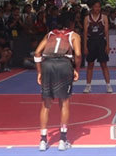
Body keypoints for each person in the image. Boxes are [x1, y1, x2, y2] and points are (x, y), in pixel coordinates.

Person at [34, 12, 82, 151]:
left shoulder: (50, 35)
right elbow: (78, 54)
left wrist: (39, 71)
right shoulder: (74, 35)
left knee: (46, 104)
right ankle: (63, 139)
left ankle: (43, 140)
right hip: (63, 65)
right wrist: (76, 68)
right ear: (72, 24)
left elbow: (37, 53)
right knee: (64, 102)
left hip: (47, 65)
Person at [83, 1, 112, 93]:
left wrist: (107, 45)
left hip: (101, 42)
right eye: (95, 7)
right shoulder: (87, 18)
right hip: (91, 42)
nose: (97, 9)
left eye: (99, 7)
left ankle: (108, 85)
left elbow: (107, 32)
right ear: (92, 8)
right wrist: (85, 46)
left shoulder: (104, 17)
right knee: (90, 64)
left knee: (104, 64)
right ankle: (88, 85)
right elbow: (85, 33)